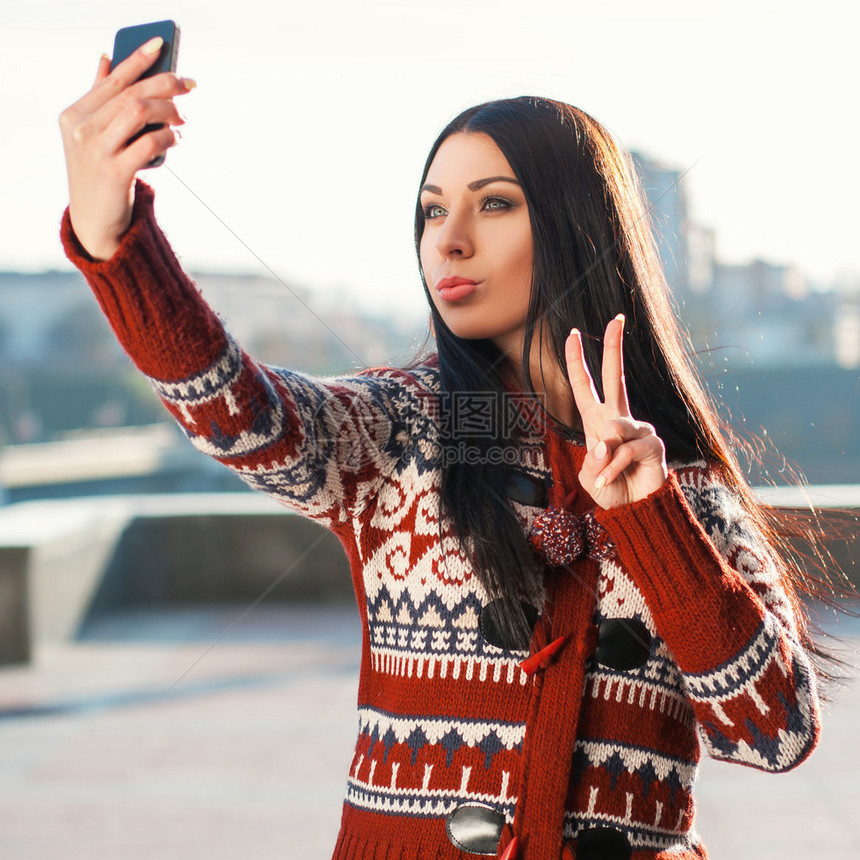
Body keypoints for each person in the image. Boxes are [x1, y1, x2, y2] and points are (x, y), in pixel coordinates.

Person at [59, 38, 824, 860]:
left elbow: (773, 733)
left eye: (494, 204)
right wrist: (116, 241)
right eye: (431, 210)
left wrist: (652, 520)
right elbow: (242, 414)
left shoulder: (687, 487)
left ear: (578, 225)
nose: (448, 241)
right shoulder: (402, 431)